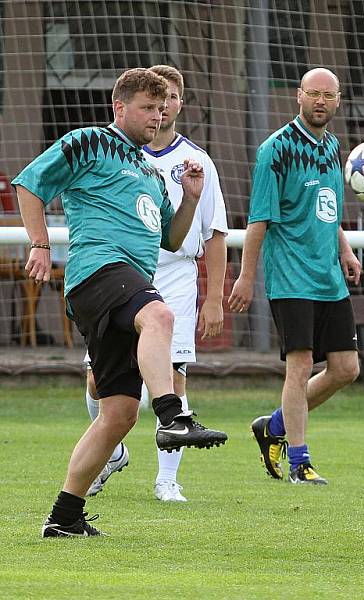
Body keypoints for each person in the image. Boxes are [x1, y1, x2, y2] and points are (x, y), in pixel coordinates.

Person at [12, 68, 228, 537]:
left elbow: (172, 239)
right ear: (120, 108)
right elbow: (28, 184)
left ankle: (64, 516)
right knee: (161, 313)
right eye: (148, 108)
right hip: (98, 272)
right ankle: (174, 416)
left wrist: (190, 199)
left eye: (163, 106)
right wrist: (40, 244)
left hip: (124, 282)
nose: (159, 114)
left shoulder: (150, 171)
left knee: (119, 414)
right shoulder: (88, 141)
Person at [83, 65, 229, 502]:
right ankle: (110, 450)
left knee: (175, 375)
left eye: (170, 99)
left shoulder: (197, 162)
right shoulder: (119, 152)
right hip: (120, 271)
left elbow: (214, 232)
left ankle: (167, 478)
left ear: (180, 104)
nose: (162, 108)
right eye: (153, 102)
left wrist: (216, 297)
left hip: (176, 276)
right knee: (98, 381)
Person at [228, 67, 361, 486]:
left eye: (328, 95)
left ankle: (275, 426)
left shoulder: (332, 146)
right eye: (313, 94)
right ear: (298, 97)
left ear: (338, 100)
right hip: (291, 277)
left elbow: (329, 207)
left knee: (346, 369)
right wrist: (247, 277)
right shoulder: (276, 150)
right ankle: (299, 463)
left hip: (329, 278)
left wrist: (345, 248)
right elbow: (259, 220)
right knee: (299, 366)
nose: (320, 101)